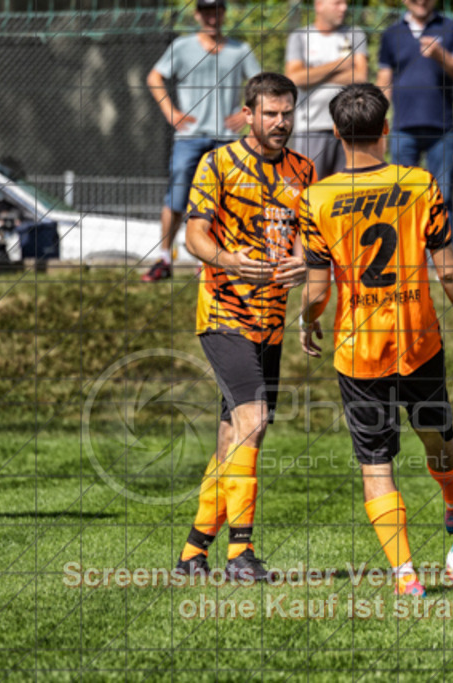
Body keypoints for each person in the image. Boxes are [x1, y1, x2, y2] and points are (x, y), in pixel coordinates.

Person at [299, 84, 453, 597]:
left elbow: (317, 291)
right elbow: (449, 272)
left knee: (375, 462)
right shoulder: (420, 184)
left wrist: (307, 319)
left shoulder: (316, 198)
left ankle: (406, 577)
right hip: (418, 340)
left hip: (358, 351)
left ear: (337, 133)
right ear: (387, 129)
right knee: (435, 433)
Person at [175, 73, 316, 582]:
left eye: (287, 113)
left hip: (271, 321)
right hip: (224, 313)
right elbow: (194, 235)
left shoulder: (304, 169)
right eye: (270, 113)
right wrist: (227, 259)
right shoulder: (218, 163)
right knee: (252, 421)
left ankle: (193, 554)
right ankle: (241, 554)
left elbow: (308, 235)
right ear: (249, 114)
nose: (280, 122)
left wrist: (305, 264)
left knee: (234, 436)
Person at [141, 0, 261, 282]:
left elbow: (261, 85)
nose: (212, 17)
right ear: (197, 15)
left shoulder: (239, 50)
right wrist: (170, 111)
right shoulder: (182, 47)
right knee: (177, 195)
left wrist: (246, 116)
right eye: (206, 11)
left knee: (224, 200)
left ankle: (212, 260)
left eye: (217, 10)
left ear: (224, 14)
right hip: (190, 136)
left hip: (226, 139)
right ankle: (164, 258)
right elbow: (154, 77)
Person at [376, 0, 453, 222]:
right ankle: (406, 256)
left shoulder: (452, 28)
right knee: (402, 201)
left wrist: (440, 55)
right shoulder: (391, 34)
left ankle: (443, 256)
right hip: (402, 130)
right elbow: (384, 82)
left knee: (442, 200)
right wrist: (379, 125)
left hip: (442, 130)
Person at [284, 0, 367, 179]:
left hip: (348, 128)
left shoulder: (355, 34)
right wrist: (340, 64)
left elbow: (360, 76)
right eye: (337, 3)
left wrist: (313, 75)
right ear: (319, 5)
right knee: (310, 187)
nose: (344, 8)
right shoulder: (299, 36)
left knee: (344, 194)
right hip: (311, 128)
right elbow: (295, 78)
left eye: (345, 3)